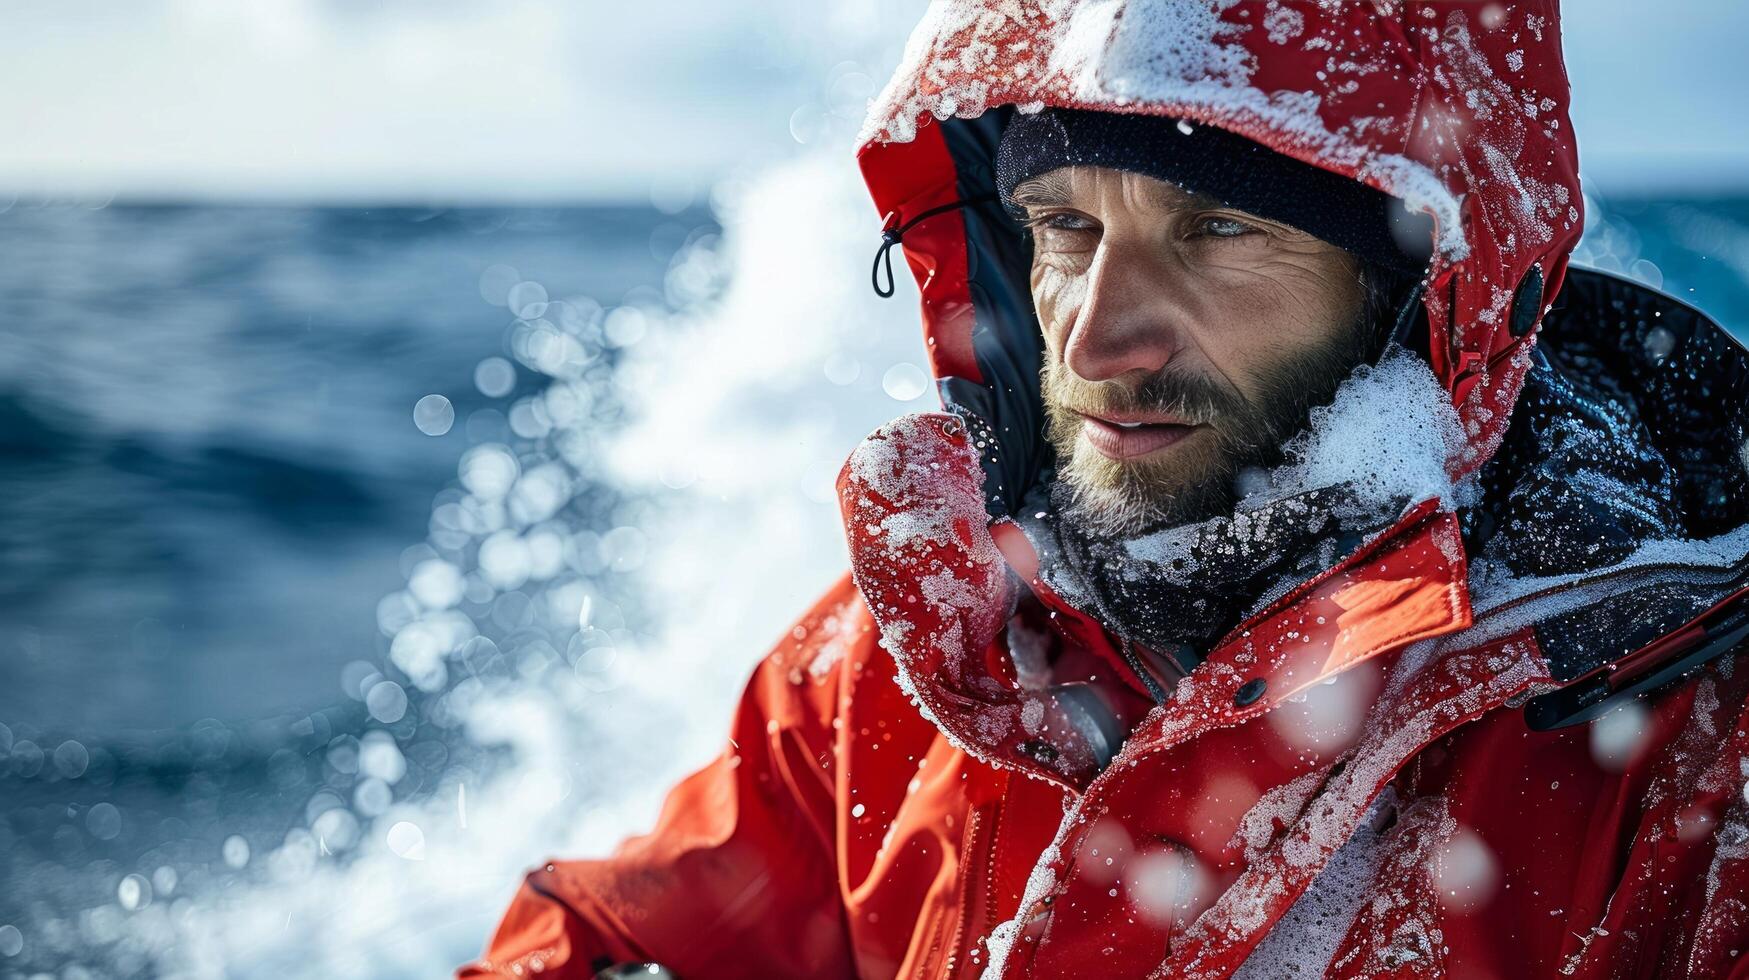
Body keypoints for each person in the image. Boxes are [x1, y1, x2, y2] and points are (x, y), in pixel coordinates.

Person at [462, 2, 1749, 976]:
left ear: (1425, 292)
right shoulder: (914, 657)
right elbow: (627, 931)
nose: (1092, 340)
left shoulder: (1688, 741)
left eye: (1218, 229)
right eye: (1064, 228)